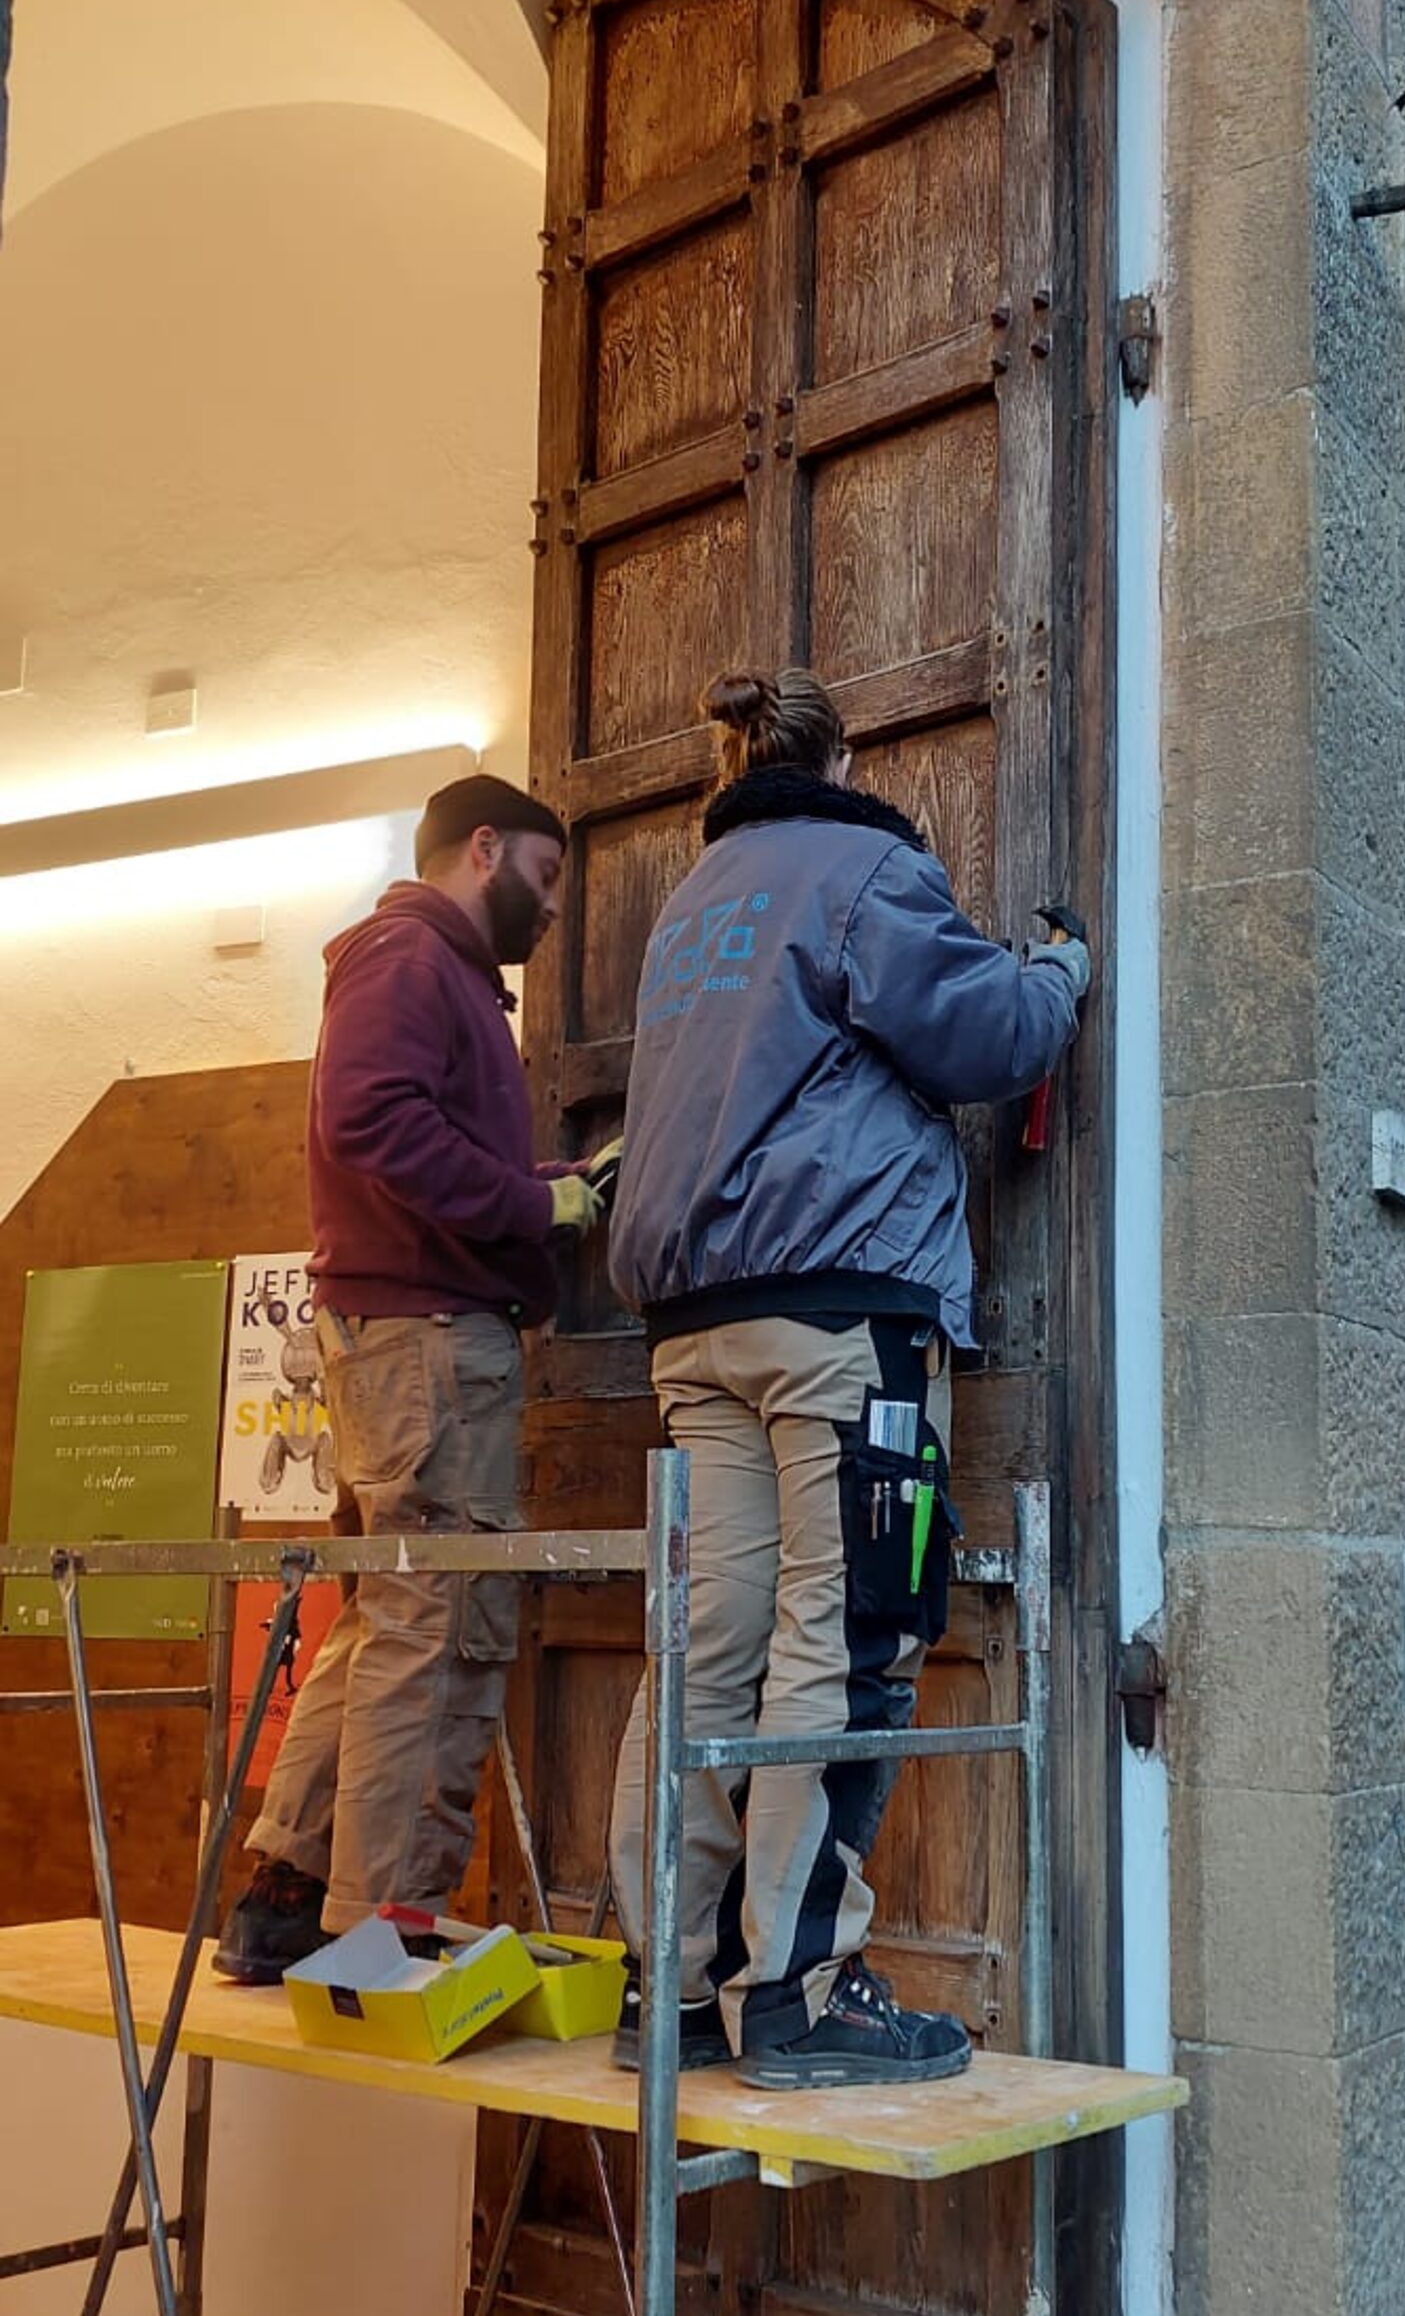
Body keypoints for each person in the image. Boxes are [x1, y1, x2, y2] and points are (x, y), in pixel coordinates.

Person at [606, 668, 1090, 2090]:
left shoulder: (690, 908)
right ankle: (800, 1989)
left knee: (706, 1643)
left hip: (695, 1327)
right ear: (845, 760)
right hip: (841, 1310)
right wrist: (1058, 972)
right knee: (846, 1630)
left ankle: (669, 1982)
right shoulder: (863, 870)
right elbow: (989, 1033)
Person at [215, 774, 605, 1984]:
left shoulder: (416, 966)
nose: (553, 907)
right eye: (544, 875)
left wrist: (545, 1183)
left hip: (399, 1338)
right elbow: (374, 1121)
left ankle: (288, 1891)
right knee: (439, 1626)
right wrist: (531, 1206)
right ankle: (377, 1934)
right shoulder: (412, 959)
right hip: (429, 1341)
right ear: (482, 848)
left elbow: (401, 1134)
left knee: (389, 1615)